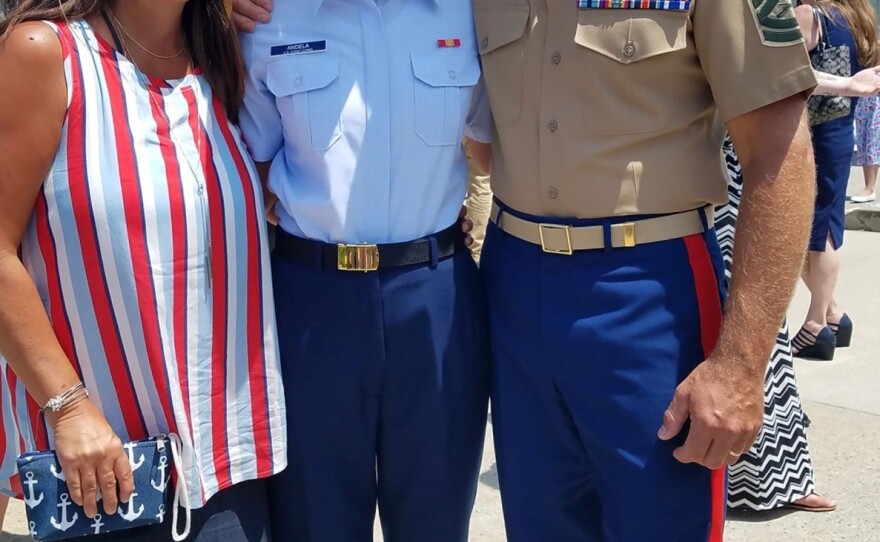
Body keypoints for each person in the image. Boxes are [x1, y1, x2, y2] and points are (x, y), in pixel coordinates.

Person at [471, 1, 818, 540]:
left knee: (662, 524)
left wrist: (741, 366)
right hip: (513, 282)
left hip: (649, 291)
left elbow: (779, 154)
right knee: (540, 525)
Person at [0, 1, 286, 541]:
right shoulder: (44, 53)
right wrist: (68, 408)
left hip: (228, 466)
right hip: (104, 472)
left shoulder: (221, 57)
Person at [232, 0, 493, 541]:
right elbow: (250, 163)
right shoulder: (267, 18)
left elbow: (499, 143)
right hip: (312, 302)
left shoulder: (465, 13)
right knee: (312, 521)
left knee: (436, 521)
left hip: (434, 296)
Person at [724, 65, 880, 514]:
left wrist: (846, 85)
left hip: (736, 186)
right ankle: (752, 481)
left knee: (758, 338)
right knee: (744, 338)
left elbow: (783, 67)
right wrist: (847, 86)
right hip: (712, 193)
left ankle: (777, 479)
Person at [790, 0, 879, 360]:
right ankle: (831, 313)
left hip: (813, 134)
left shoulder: (810, 15)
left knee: (811, 233)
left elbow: (790, 73)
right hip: (841, 132)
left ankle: (816, 324)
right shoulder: (857, 16)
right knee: (824, 226)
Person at [852, 93, 880, 203]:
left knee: (872, 141)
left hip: (875, 97)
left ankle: (869, 188)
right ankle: (869, 187)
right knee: (864, 141)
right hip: (863, 97)